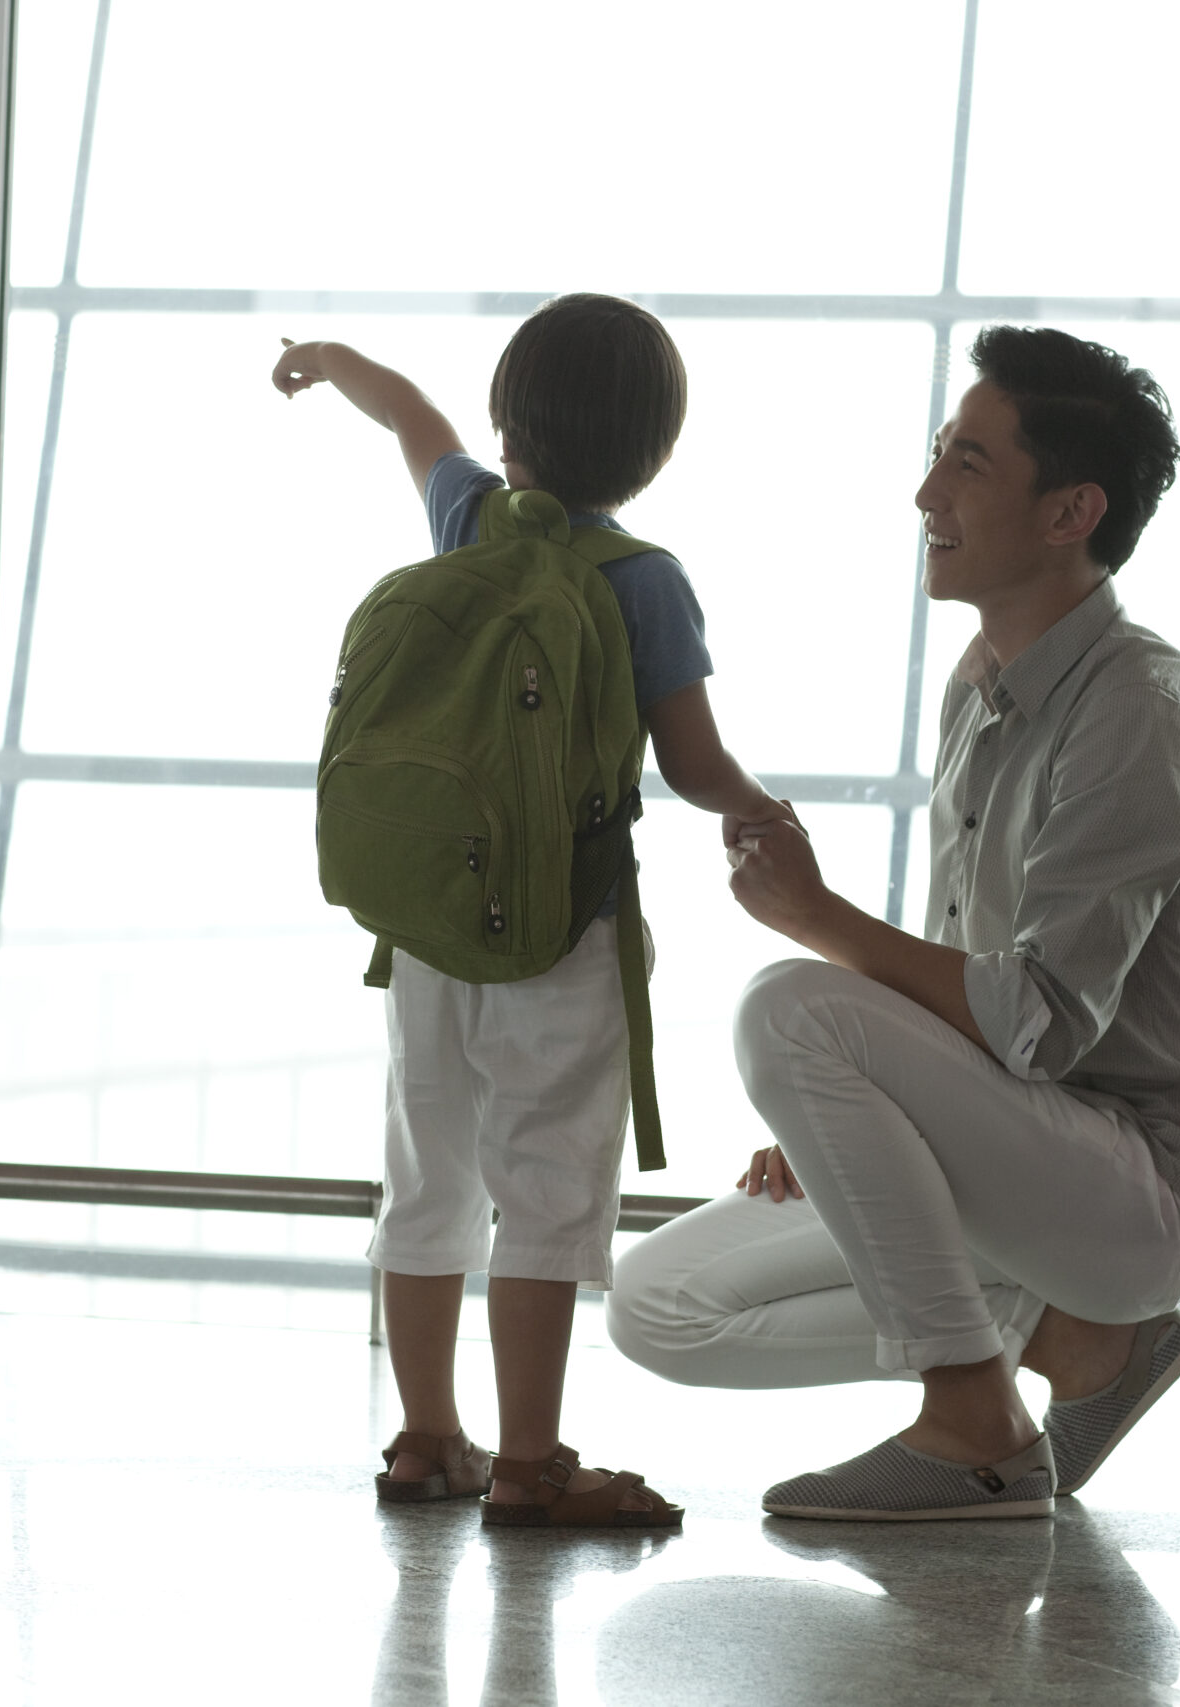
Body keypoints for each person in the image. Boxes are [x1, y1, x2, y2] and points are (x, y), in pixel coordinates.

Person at [605, 325, 1180, 1521]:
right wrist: (851, 1123)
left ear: (1070, 514)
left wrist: (813, 919)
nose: (925, 493)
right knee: (654, 1305)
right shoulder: (984, 679)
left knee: (787, 1002)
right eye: (936, 454)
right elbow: (960, 973)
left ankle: (978, 1423)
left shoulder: (1143, 714)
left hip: (1134, 1191)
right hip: (1017, 1158)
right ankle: (1083, 1344)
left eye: (967, 463)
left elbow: (1035, 1021)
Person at [273, 294, 786, 1527]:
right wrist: (766, 813)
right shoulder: (641, 579)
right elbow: (692, 762)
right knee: (549, 1188)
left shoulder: (466, 518)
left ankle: (423, 1440)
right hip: (562, 932)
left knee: (426, 1176)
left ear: (509, 426)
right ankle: (530, 1460)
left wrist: (327, 359)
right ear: (652, 452)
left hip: (428, 929)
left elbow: (410, 416)